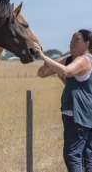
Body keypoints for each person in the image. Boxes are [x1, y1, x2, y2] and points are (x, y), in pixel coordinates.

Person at [34, 29, 92, 172]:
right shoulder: (71, 59)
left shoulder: (85, 59)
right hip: (84, 113)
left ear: (87, 43)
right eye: (71, 39)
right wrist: (55, 61)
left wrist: (42, 56)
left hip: (78, 114)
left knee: (72, 155)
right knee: (86, 155)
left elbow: (67, 71)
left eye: (76, 40)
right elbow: (42, 73)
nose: (71, 42)